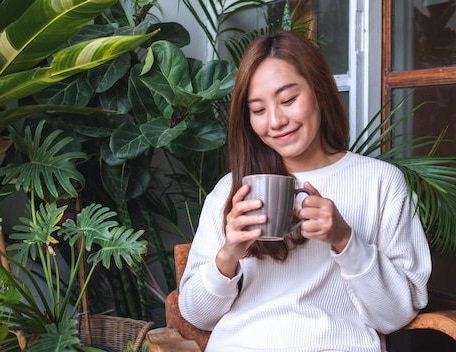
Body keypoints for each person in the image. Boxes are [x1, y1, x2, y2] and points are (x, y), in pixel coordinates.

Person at [178, 30, 432, 352]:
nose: (275, 121)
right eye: (258, 110)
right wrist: (229, 253)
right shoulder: (232, 190)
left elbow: (395, 315)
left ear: (320, 90)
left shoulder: (381, 182)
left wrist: (345, 240)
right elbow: (197, 315)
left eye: (288, 100)